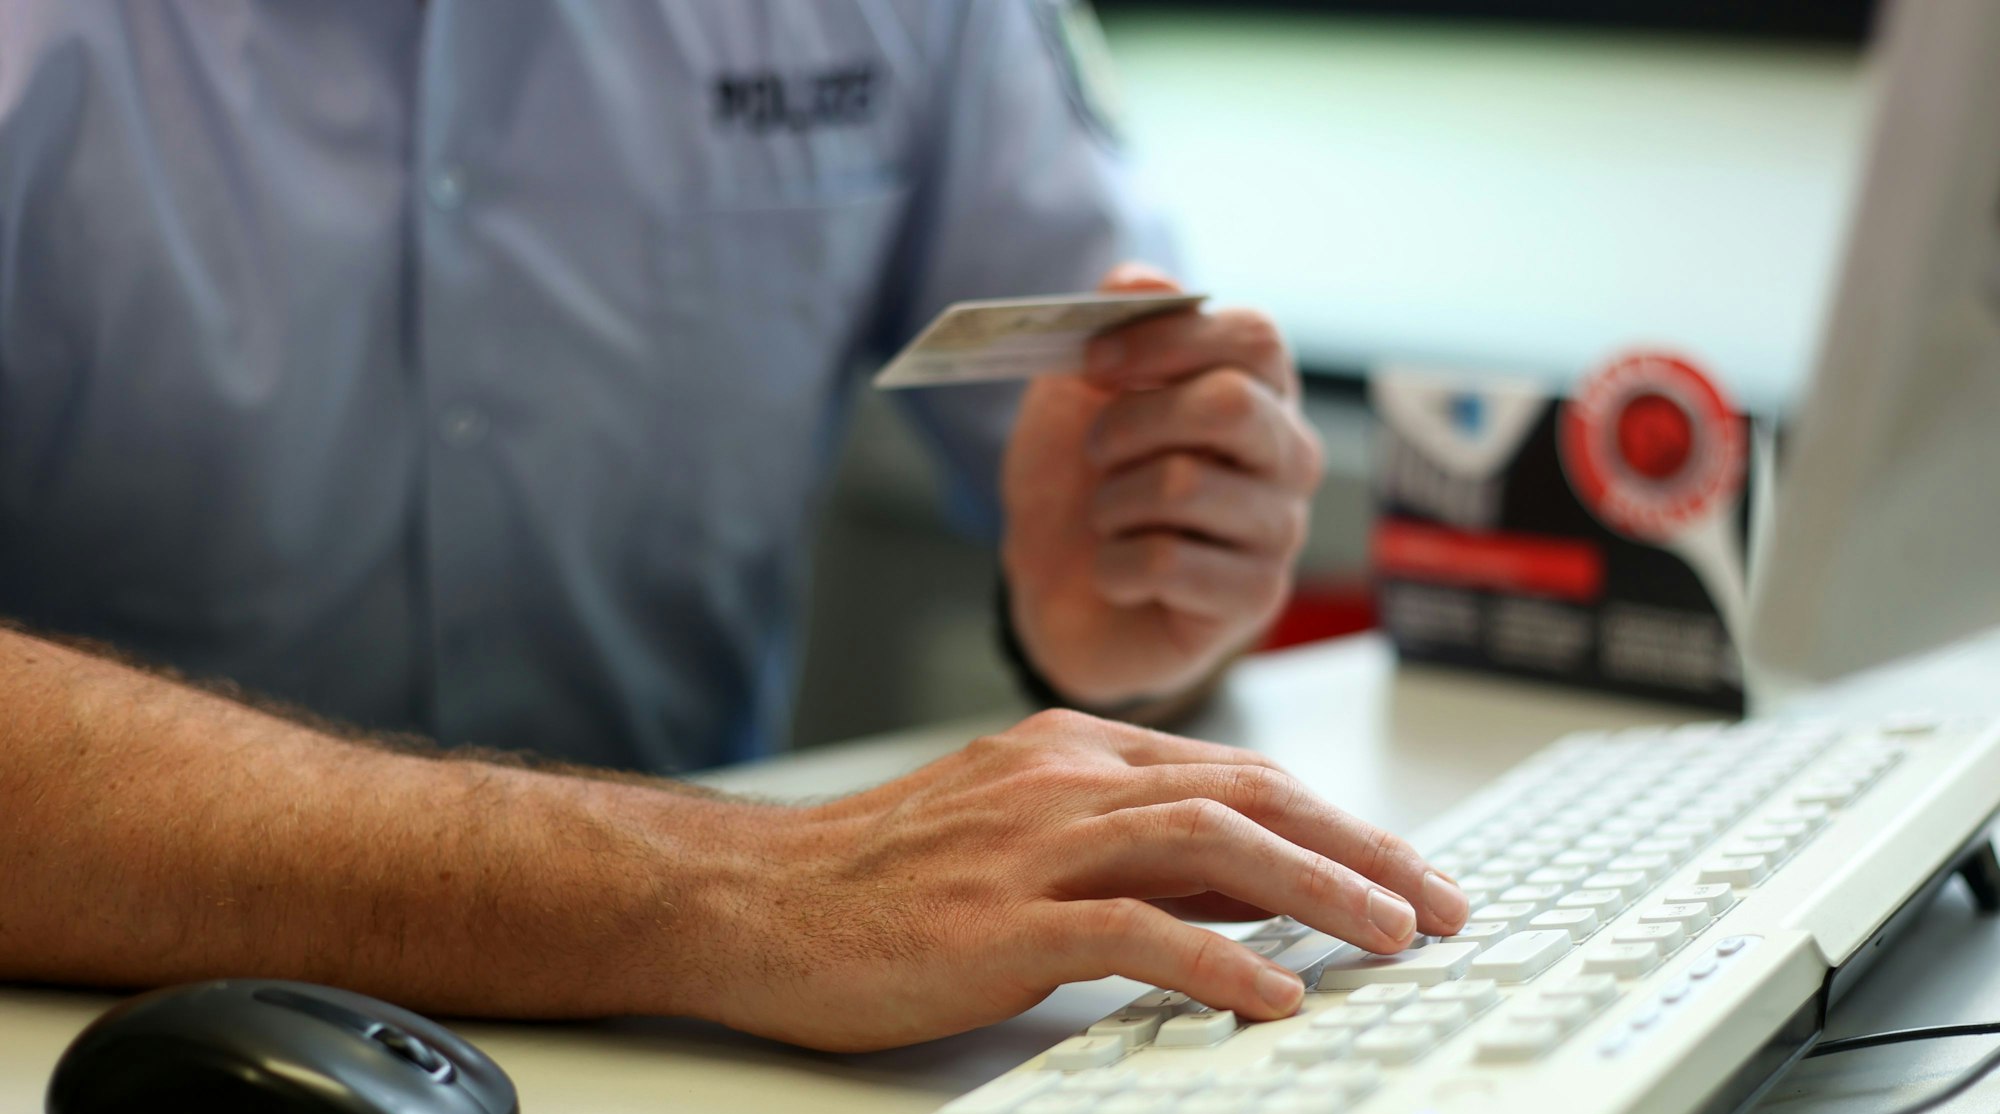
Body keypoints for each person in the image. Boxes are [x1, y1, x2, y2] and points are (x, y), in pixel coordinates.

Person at [0, 0, 1467, 1049]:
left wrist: (1136, 603)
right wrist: (735, 887)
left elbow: (1118, 459)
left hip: (715, 1037)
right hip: (95, 1019)